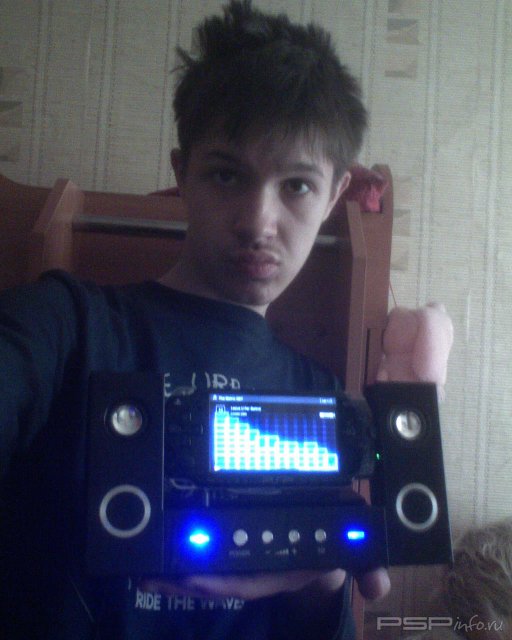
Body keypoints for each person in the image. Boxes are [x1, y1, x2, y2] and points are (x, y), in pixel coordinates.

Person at [0, 1, 389, 638]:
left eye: (297, 185)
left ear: (335, 196)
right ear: (182, 174)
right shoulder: (67, 327)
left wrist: (323, 580)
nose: (258, 223)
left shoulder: (318, 396)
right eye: (226, 174)